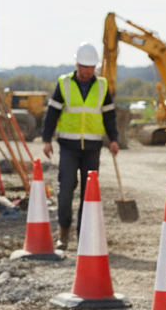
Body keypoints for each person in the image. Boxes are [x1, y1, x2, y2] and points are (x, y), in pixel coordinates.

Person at [42, 42, 120, 250]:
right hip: (68, 146)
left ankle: (84, 235)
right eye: (83, 66)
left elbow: (109, 114)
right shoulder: (64, 84)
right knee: (66, 188)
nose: (87, 71)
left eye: (90, 67)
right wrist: (46, 139)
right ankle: (63, 232)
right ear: (76, 63)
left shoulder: (102, 86)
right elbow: (52, 113)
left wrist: (113, 139)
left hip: (92, 148)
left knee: (89, 193)